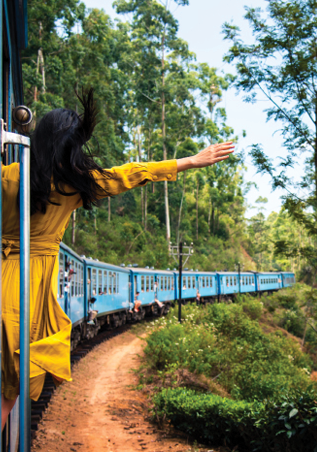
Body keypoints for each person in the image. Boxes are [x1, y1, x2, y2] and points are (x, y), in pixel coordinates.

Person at [0, 88, 234, 428]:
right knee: (11, 384)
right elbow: (131, 173)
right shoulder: (73, 186)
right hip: (27, 285)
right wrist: (190, 161)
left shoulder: (9, 177)